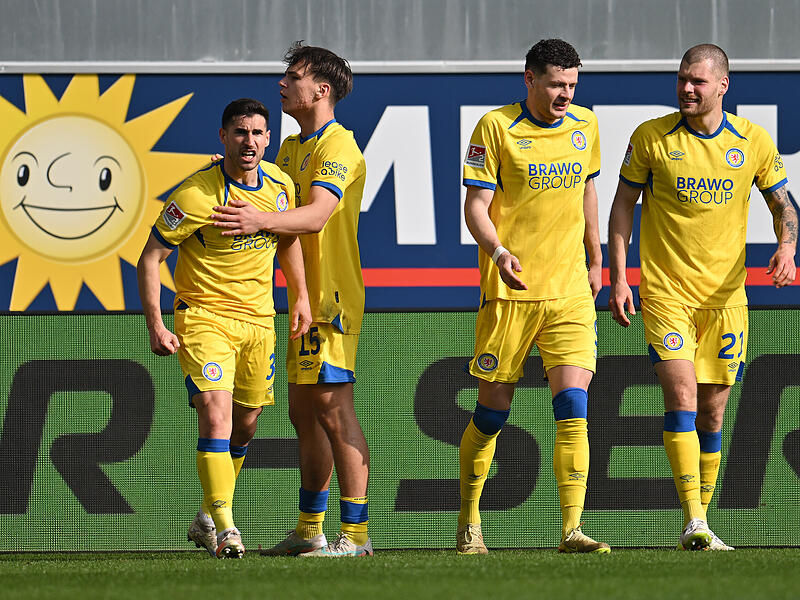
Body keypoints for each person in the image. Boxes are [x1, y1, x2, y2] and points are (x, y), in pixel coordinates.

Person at [608, 44, 797, 551]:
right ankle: (693, 520)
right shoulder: (651, 137)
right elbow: (623, 206)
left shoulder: (752, 140)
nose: (687, 88)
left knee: (713, 414)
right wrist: (620, 277)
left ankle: (701, 525)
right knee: (683, 400)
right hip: (666, 293)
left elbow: (783, 204)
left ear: (723, 86)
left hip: (726, 300)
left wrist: (787, 246)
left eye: (697, 81)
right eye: (682, 79)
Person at [211, 42, 371, 557]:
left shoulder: (338, 147)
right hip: (304, 299)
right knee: (304, 414)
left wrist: (258, 219)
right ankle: (309, 530)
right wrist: (229, 171)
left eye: (293, 76)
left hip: (332, 298)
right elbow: (269, 200)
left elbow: (315, 216)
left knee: (332, 407)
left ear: (320, 90)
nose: (282, 83)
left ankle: (357, 536)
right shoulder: (289, 149)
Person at [137, 98, 311, 559]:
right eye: (239, 132)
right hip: (204, 317)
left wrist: (300, 296)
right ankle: (228, 529)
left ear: (268, 138)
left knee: (246, 425)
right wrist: (156, 324)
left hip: (259, 321)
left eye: (256, 133)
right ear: (223, 137)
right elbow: (150, 258)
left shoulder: (280, 184)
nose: (248, 141)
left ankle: (205, 517)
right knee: (216, 415)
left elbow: (287, 238)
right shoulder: (196, 195)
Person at [457, 38, 609, 554]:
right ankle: (470, 522)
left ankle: (572, 529)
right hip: (511, 292)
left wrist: (595, 259)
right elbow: (475, 206)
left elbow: (588, 190)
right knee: (492, 414)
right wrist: (499, 252)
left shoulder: (585, 125)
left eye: (572, 85)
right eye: (556, 84)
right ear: (530, 79)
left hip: (569, 292)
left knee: (573, 405)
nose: (566, 94)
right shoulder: (496, 127)